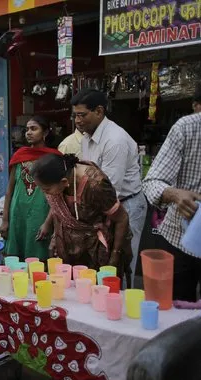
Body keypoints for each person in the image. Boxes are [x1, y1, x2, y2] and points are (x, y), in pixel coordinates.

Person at [72, 88, 146, 287]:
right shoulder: (87, 136)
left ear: (99, 111)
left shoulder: (115, 140)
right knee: (102, 262)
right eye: (75, 116)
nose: (77, 121)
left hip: (125, 205)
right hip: (104, 204)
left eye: (82, 115)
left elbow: (112, 189)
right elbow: (86, 174)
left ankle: (121, 308)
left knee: (119, 263)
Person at [143, 111, 201, 304]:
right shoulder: (186, 128)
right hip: (179, 237)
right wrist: (175, 194)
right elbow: (152, 181)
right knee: (173, 310)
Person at [33, 154, 132, 282]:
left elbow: (122, 218)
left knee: (94, 288)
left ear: (64, 182)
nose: (45, 193)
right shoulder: (59, 182)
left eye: (46, 189)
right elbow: (57, 204)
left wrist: (115, 255)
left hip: (95, 250)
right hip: (68, 244)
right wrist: (51, 230)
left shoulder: (95, 185)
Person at [1, 116, 61, 260]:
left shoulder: (53, 158)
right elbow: (9, 191)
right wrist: (5, 219)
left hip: (41, 213)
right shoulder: (20, 156)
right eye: (27, 129)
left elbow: (58, 194)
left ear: (45, 133)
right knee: (15, 260)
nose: (29, 132)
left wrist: (48, 223)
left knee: (38, 258)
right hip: (18, 214)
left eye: (33, 129)